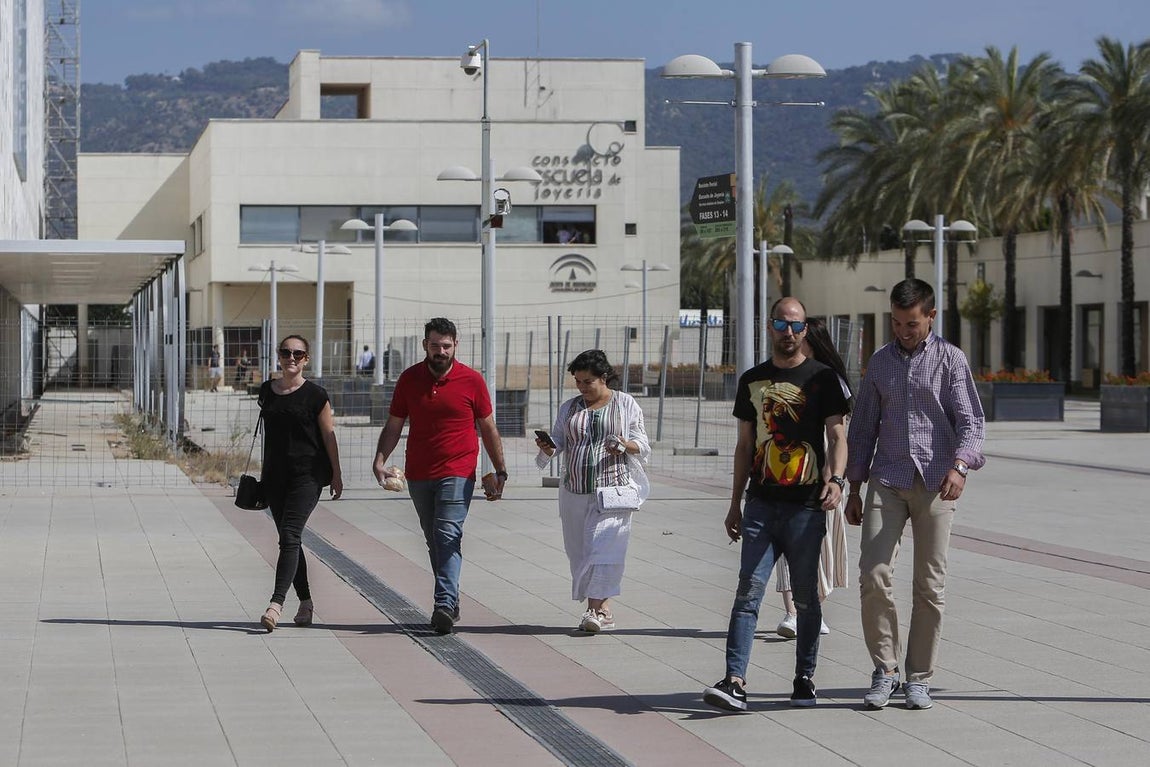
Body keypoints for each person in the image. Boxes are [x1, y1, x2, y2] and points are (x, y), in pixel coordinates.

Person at [846, 278, 985, 711]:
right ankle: (884, 670)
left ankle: (919, 677)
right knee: (873, 575)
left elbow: (972, 422)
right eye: (896, 323)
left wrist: (961, 466)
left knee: (929, 586)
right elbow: (864, 425)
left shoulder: (951, 360)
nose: (902, 331)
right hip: (886, 480)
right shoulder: (880, 362)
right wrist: (853, 485)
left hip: (937, 484)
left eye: (911, 323)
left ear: (930, 317)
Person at [703, 297, 849, 712]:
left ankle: (805, 678)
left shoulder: (824, 379)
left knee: (805, 599)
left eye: (796, 326)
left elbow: (838, 437)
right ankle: (734, 681)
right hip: (761, 506)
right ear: (770, 327)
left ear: (806, 330)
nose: (789, 333)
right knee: (747, 592)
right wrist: (735, 503)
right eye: (781, 324)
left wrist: (836, 481)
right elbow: (745, 445)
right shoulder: (752, 380)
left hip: (806, 507)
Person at [371, 318, 508, 635]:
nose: (441, 352)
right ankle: (451, 599)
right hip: (419, 472)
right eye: (435, 346)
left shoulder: (471, 381)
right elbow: (394, 425)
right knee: (434, 540)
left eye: (446, 346)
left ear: (456, 345)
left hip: (458, 471)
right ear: (425, 346)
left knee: (447, 534)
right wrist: (380, 460)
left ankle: (443, 604)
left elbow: (487, 427)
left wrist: (500, 470)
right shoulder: (409, 379)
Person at [534, 350, 651, 633]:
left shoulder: (625, 404)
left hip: (613, 491)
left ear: (604, 378)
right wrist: (549, 447)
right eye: (578, 382)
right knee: (580, 553)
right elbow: (559, 440)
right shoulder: (569, 408)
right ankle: (603, 609)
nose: (583, 388)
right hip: (575, 491)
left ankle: (595, 609)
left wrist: (624, 444)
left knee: (605, 549)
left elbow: (642, 444)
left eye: (588, 381)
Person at [256, 335, 343, 632]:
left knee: (290, 534)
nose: (291, 358)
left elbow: (328, 435)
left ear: (306, 359)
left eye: (298, 353)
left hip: (308, 475)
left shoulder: (317, 395)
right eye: (286, 352)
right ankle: (305, 602)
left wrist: (337, 473)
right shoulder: (267, 391)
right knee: (289, 540)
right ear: (279, 356)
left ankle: (275, 604)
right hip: (275, 476)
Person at [773, 317, 852, 639]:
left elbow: (839, 436)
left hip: (822, 480)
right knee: (785, 548)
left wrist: (836, 478)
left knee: (818, 549)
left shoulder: (831, 382)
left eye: (799, 336)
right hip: (784, 478)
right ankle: (792, 612)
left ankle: (812, 611)